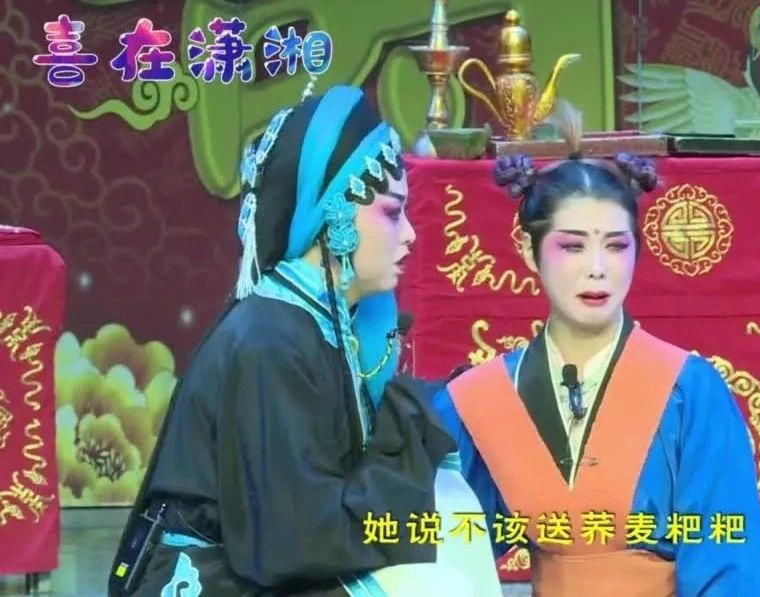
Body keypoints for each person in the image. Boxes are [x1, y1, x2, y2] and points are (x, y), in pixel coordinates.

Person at [108, 83, 502, 596]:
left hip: (257, 563)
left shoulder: (317, 321)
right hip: (208, 578)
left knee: (449, 524)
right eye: (391, 212)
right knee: (440, 585)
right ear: (333, 216)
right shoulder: (270, 341)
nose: (409, 234)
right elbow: (294, 539)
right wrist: (408, 455)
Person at [433, 104, 760, 596]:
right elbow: (440, 550)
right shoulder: (481, 399)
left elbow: (732, 567)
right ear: (530, 251)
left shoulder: (689, 391)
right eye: (573, 246)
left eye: (616, 246)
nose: (597, 268)